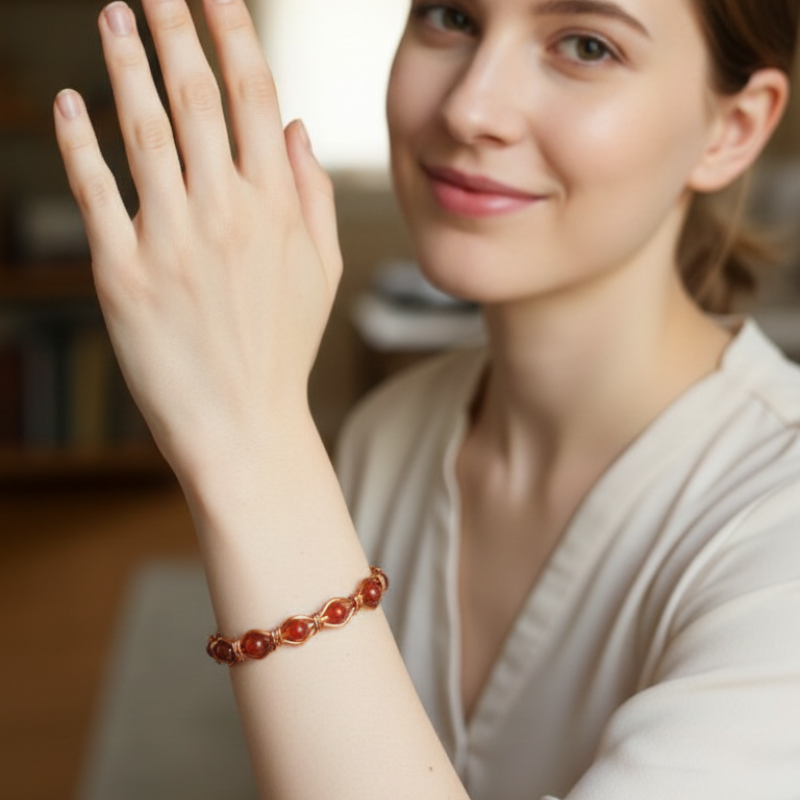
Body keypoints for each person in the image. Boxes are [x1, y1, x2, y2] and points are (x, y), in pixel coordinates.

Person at [54, 0, 800, 798]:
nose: (469, 108)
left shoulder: (777, 522)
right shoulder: (385, 437)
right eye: (450, 15)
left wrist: (254, 442)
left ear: (734, 130)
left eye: (586, 45)